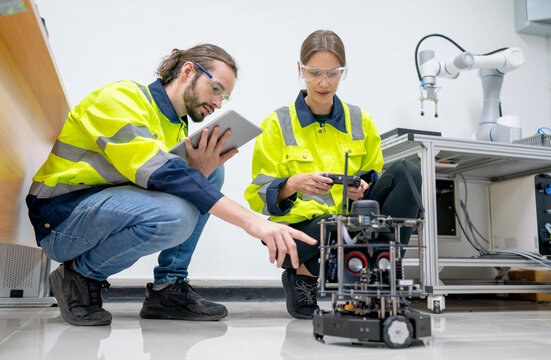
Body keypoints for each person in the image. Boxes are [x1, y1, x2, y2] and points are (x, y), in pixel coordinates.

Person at [26, 44, 316, 326]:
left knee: (210, 171)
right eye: (216, 89)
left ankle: (168, 290)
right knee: (176, 212)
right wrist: (254, 223)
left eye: (223, 97)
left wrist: (199, 173)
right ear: (188, 71)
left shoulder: (175, 126)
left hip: (98, 210)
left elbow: (168, 179)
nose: (217, 103)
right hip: (62, 221)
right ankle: (79, 276)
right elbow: (167, 175)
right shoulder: (120, 98)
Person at [244, 30, 422, 319]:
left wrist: (364, 188)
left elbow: (374, 173)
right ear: (300, 70)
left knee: (408, 172)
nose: (324, 83)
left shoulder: (360, 119)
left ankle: (385, 279)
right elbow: (257, 196)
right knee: (334, 226)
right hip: (303, 231)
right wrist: (291, 184)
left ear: (343, 73)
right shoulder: (277, 123)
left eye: (332, 74)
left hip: (351, 221)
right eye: (314, 73)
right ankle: (302, 275)